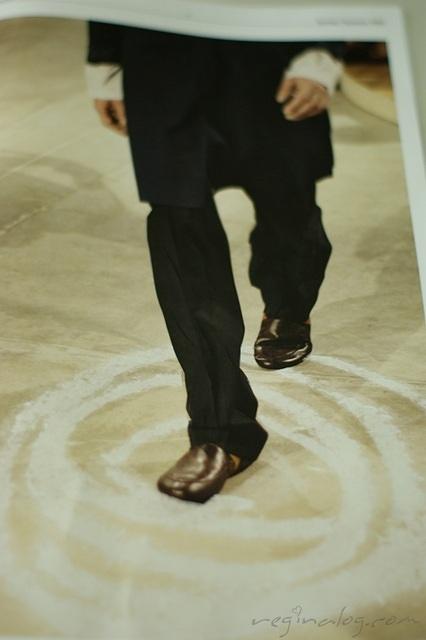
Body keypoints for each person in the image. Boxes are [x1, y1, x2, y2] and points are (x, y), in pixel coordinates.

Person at [85, 21, 343, 503]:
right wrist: (105, 59)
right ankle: (221, 431)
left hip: (267, 44)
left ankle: (289, 305)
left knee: (287, 204)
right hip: (160, 50)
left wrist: (321, 49)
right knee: (178, 227)